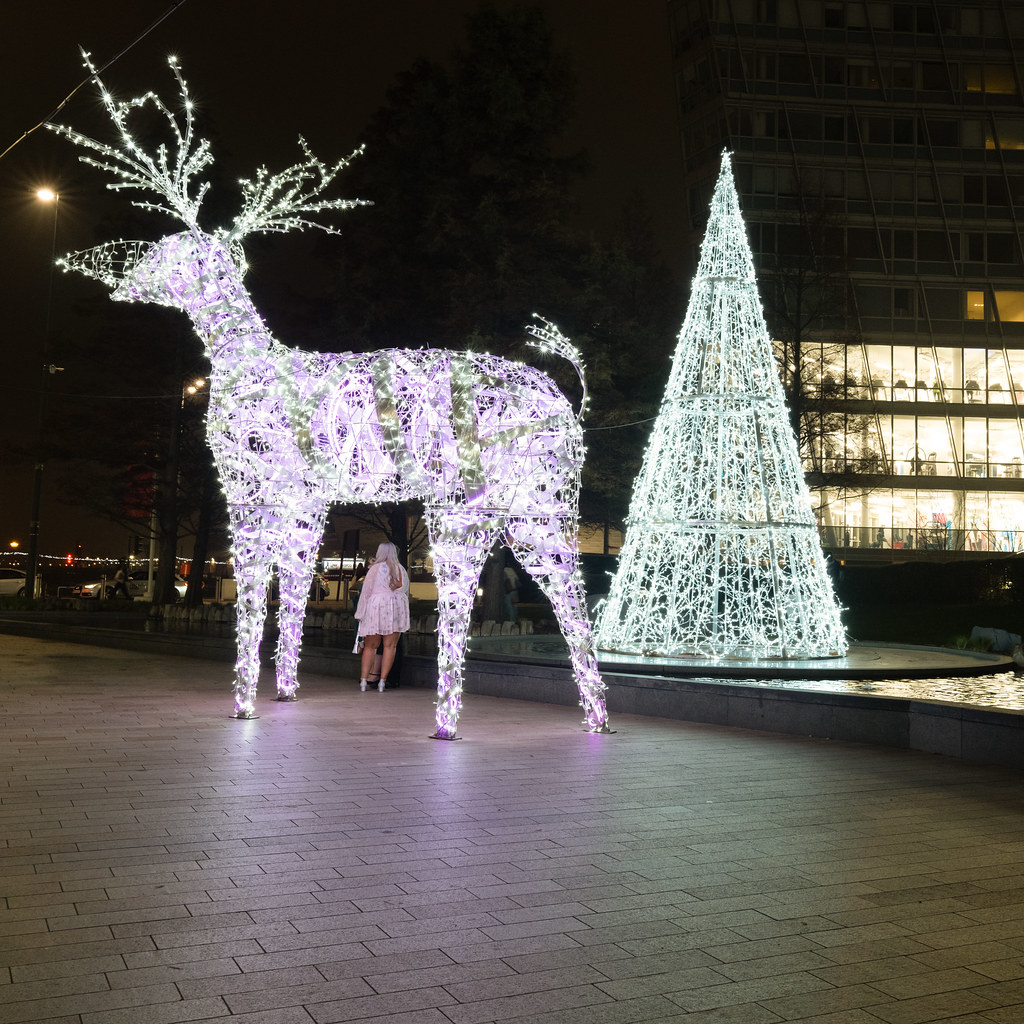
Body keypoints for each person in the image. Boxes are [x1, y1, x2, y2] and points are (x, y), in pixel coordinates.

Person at [354, 542, 410, 692]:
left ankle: (364, 680)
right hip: (396, 609)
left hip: (376, 608)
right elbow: (404, 589)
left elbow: (366, 592)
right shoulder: (401, 569)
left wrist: (360, 613)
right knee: (390, 646)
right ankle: (382, 682)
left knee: (370, 646)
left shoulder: (375, 569)